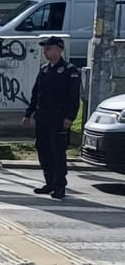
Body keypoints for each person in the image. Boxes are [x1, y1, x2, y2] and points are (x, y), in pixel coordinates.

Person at [23, 35, 81, 199]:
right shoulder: (44, 70)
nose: (45, 52)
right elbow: (36, 93)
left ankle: (59, 186)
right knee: (43, 151)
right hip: (42, 117)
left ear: (59, 49)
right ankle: (49, 182)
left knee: (57, 152)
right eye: (44, 49)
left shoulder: (69, 70)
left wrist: (70, 117)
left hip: (58, 118)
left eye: (48, 48)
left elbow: (73, 97)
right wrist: (29, 114)